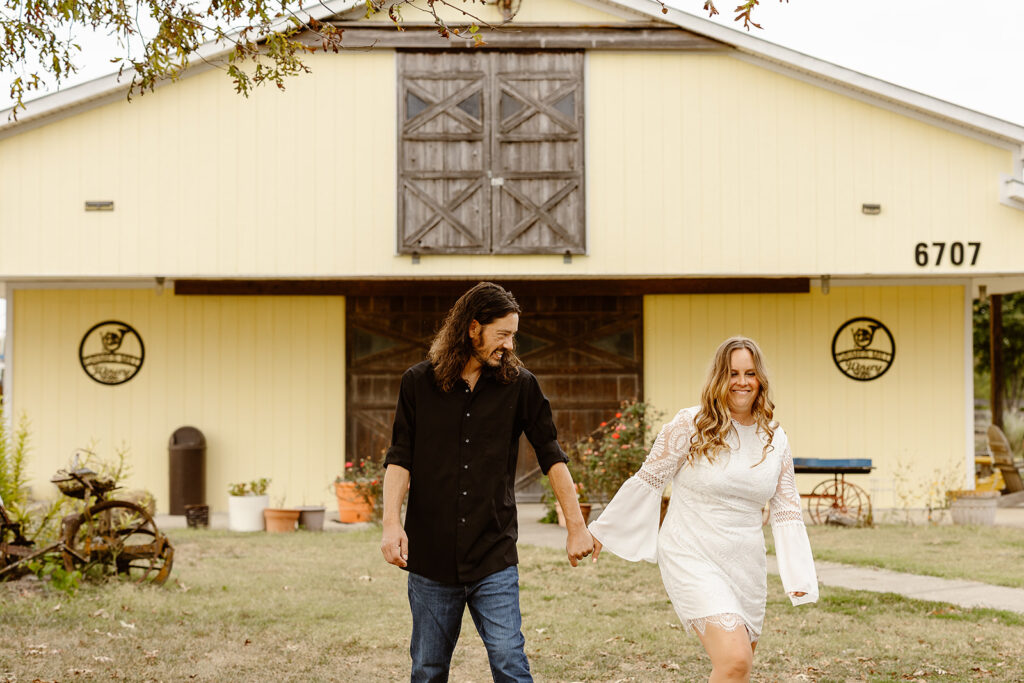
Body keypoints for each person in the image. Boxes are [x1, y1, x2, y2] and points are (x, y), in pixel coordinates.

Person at [380, 281, 595, 683]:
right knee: (427, 670)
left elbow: (552, 456)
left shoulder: (521, 386)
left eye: (514, 335)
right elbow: (400, 458)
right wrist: (392, 524)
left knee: (510, 662)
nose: (510, 345)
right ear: (473, 328)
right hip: (430, 556)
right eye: (503, 335)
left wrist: (576, 527)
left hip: (492, 554)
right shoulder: (417, 383)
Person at [588, 336, 818, 683]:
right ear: (718, 378)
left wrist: (798, 573)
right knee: (735, 660)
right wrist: (602, 531)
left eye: (750, 373)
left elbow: (787, 509)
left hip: (746, 563)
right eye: (733, 373)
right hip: (691, 552)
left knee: (736, 670)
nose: (742, 382)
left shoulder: (775, 437)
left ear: (760, 380)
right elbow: (649, 479)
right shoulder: (690, 425)